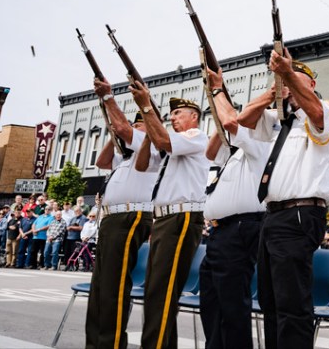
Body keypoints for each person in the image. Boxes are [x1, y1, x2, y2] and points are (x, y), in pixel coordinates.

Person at [239, 49, 329, 349]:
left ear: (311, 85)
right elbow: (243, 120)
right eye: (284, 82)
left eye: (295, 81)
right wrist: (273, 92)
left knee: (292, 303)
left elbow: (316, 114)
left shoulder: (322, 110)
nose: (288, 87)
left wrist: (288, 73)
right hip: (272, 216)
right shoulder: (281, 122)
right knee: (270, 301)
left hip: (299, 214)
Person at [131, 87, 209, 349]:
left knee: (161, 290)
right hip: (165, 218)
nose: (172, 118)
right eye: (171, 114)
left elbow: (165, 142)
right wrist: (149, 127)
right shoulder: (172, 144)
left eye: (178, 113)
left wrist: (147, 108)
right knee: (156, 289)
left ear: (194, 116)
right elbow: (142, 165)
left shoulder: (195, 136)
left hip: (181, 216)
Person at [198, 66, 270, 349]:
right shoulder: (234, 153)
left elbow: (231, 122)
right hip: (219, 232)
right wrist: (220, 109)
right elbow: (211, 150)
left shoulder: (259, 143)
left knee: (232, 305)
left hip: (240, 228)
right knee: (212, 302)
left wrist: (218, 91)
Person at [85, 79, 156, 349]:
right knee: (100, 287)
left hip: (131, 216)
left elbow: (126, 130)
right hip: (111, 219)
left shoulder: (152, 145)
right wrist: (113, 136)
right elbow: (101, 161)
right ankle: (94, 343)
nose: (134, 130)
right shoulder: (124, 157)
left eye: (140, 125)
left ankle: (111, 344)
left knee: (114, 286)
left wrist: (108, 99)